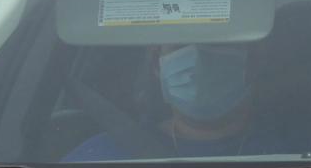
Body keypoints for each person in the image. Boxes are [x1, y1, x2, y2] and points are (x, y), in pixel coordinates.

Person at [66, 43, 289, 160]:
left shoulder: (307, 153)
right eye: (181, 45)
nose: (200, 61)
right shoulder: (99, 158)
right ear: (157, 63)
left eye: (217, 42)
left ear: (256, 60)